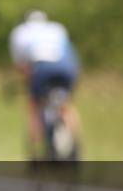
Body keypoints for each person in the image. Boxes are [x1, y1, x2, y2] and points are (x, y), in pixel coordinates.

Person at [8, 10, 81, 161]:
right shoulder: (57, 28)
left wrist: (28, 84)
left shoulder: (20, 33)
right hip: (67, 68)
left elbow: (22, 66)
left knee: (34, 106)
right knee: (66, 105)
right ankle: (75, 147)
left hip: (41, 70)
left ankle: (35, 154)